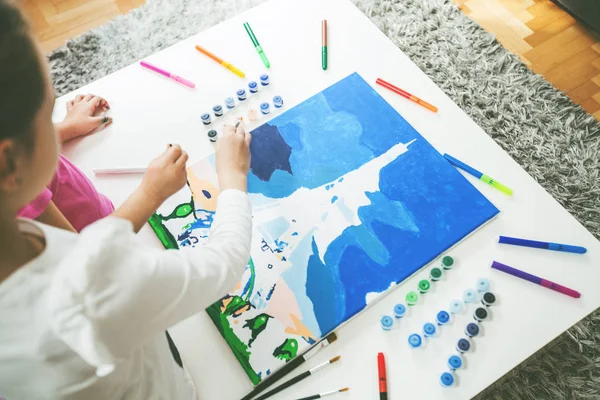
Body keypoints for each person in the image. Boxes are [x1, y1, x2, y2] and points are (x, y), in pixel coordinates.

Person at [0, 1, 253, 399]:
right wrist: (233, 177)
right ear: (10, 158)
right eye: (47, 109)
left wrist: (62, 128)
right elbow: (223, 264)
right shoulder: (94, 286)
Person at [18, 93, 115, 232]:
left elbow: (25, 142)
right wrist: (150, 193)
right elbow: (82, 251)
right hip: (104, 239)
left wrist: (69, 127)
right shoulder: (19, 189)